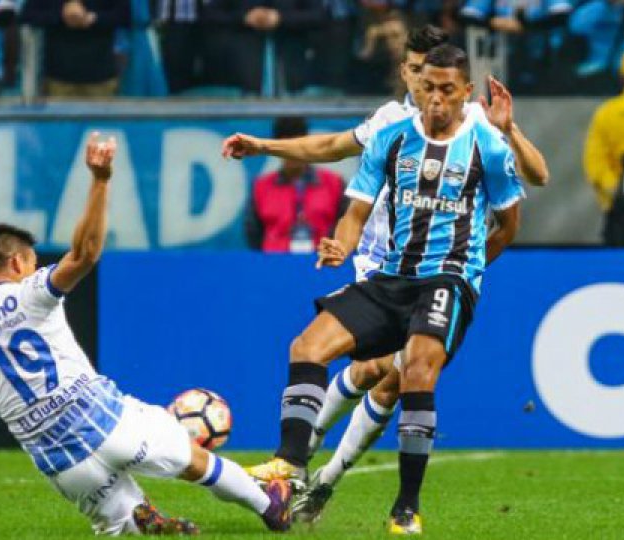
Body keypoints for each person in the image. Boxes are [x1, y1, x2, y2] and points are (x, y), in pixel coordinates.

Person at [222, 26, 549, 522]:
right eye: (421, 79)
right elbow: (353, 202)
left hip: (446, 280)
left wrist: (468, 269)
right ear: (407, 75)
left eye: (442, 85)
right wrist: (340, 242)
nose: (430, 93)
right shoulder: (389, 130)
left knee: (402, 373)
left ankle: (400, 504)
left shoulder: (485, 133)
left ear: (464, 90)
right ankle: (291, 467)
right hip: (385, 272)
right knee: (313, 350)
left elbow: (521, 205)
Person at [0, 133, 293, 537]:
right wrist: (101, 181)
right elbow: (86, 253)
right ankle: (270, 506)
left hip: (61, 463)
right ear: (18, 262)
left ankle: (141, 520)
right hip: (107, 421)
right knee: (196, 462)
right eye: (33, 260)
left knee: (125, 524)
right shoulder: (30, 294)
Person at [244, 116, 345, 252]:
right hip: (274, 267)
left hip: (323, 267)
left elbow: (345, 230)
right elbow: (254, 235)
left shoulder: (335, 184)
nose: (292, 153)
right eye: (286, 147)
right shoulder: (260, 187)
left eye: (298, 146)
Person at [20, 0, 131, 98]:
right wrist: (61, 15)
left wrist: (94, 18)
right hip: (58, 80)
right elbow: (27, 15)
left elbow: (124, 16)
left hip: (101, 79)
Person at [585, 47, 624, 246]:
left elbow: (594, 162)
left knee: (615, 261)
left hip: (620, 200)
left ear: (623, 77)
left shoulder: (607, 113)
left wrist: (614, 190)